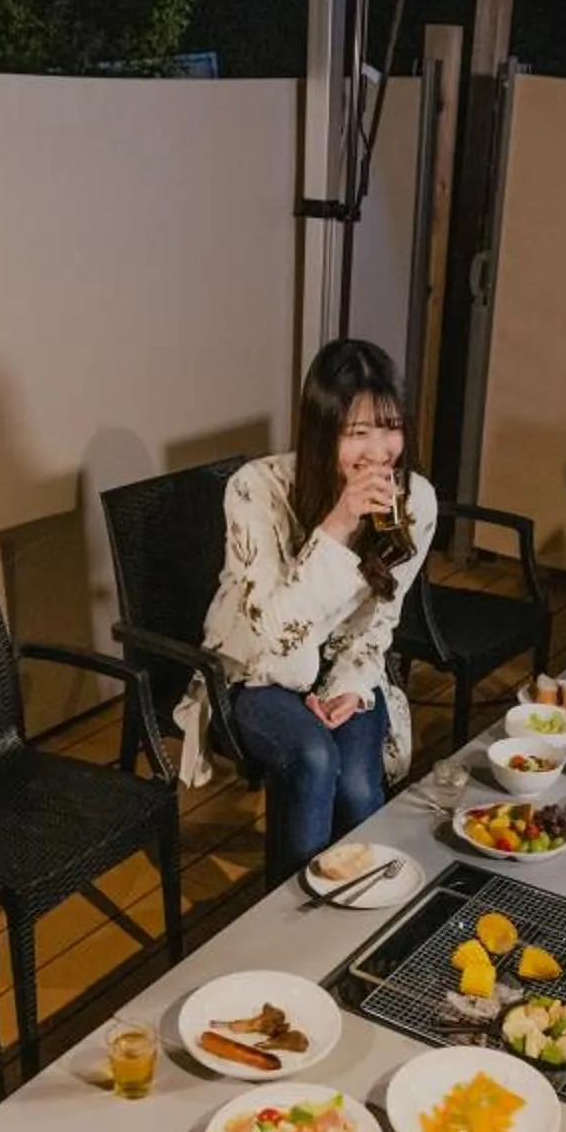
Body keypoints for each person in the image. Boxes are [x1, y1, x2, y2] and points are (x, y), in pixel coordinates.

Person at [171, 337, 438, 880]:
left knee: (361, 785)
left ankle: (356, 912)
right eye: (357, 433)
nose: (379, 451)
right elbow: (271, 635)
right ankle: (289, 919)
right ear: (322, 433)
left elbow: (380, 619)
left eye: (390, 428)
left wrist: (349, 684)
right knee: (314, 759)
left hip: (340, 665)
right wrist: (338, 526)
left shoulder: (415, 500)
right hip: (254, 669)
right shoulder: (256, 490)